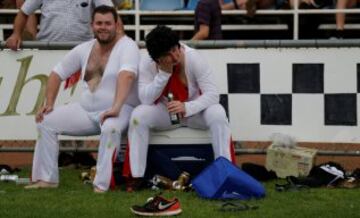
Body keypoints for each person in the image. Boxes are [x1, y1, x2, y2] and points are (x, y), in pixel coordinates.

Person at [24, 5, 140, 193]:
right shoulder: (84, 48)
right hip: (86, 110)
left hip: (121, 109)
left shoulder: (128, 46)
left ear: (116, 24)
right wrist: (49, 104)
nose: (103, 27)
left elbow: (126, 76)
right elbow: (56, 74)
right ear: (91, 25)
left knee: (110, 128)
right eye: (99, 23)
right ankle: (46, 179)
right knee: (45, 121)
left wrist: (116, 107)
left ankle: (101, 185)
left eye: (108, 23)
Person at [127, 25, 235, 189]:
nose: (175, 55)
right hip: (167, 112)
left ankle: (225, 173)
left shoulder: (193, 58)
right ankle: (137, 176)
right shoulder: (147, 63)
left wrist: (187, 107)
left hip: (195, 112)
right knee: (138, 116)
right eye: (167, 54)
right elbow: (145, 99)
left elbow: (213, 95)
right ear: (157, 59)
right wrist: (163, 74)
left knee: (218, 113)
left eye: (175, 48)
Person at [5, 0, 113, 50]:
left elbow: (111, 13)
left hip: (82, 51)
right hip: (47, 50)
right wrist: (16, 34)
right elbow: (24, 12)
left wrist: (119, 39)